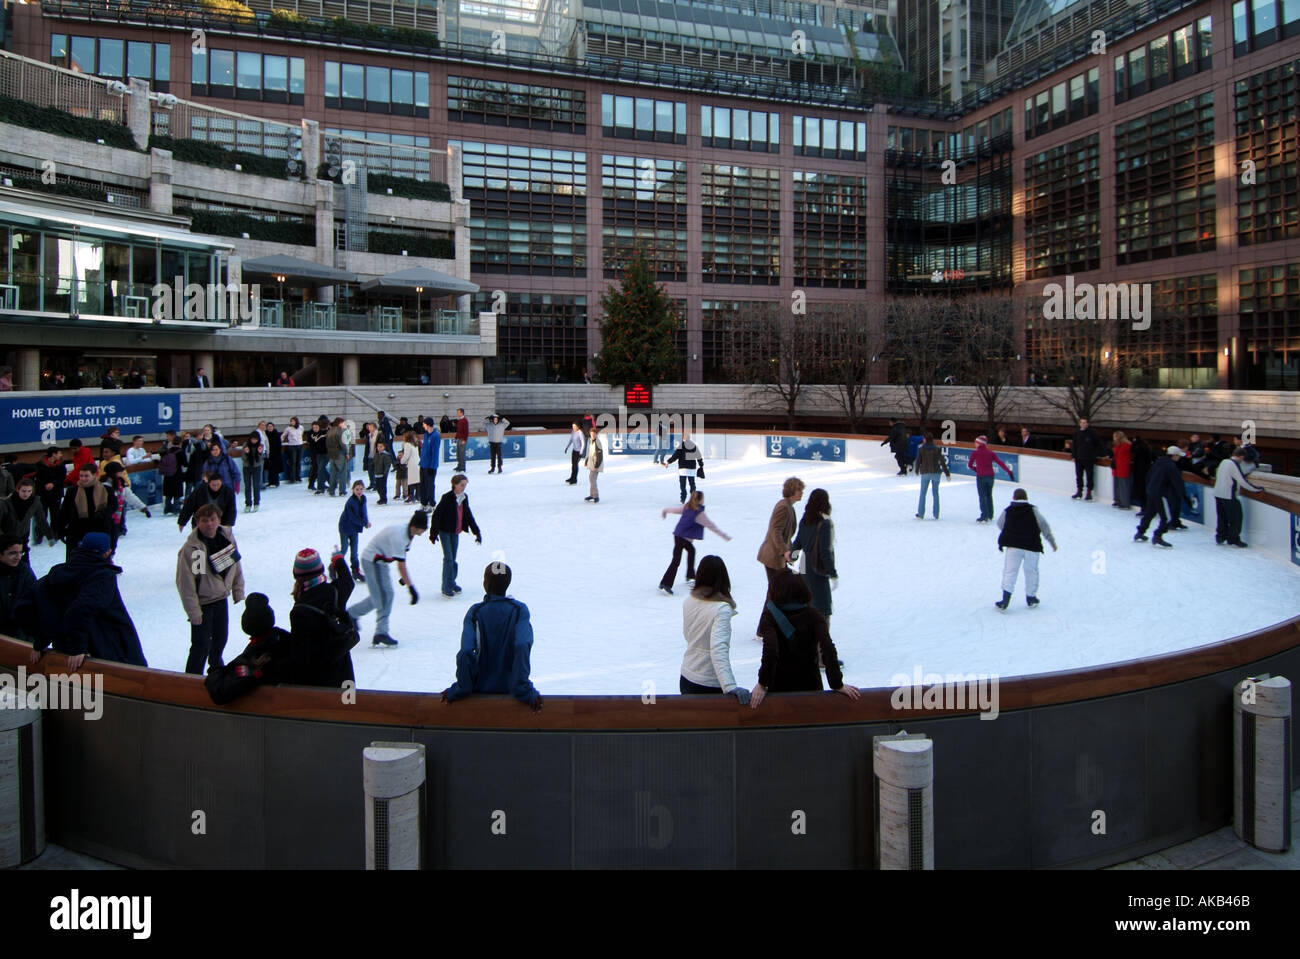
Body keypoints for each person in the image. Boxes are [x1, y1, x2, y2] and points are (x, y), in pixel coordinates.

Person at [29, 531, 147, 669]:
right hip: (104, 646)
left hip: (66, 646)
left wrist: (40, 642)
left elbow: (49, 608)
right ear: (107, 552)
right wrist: (77, 647)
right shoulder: (102, 576)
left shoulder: (60, 571)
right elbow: (81, 608)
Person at [440, 563, 542, 711]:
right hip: (510, 691)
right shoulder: (519, 610)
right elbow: (521, 645)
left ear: (485, 583)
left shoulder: (475, 612)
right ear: (508, 584)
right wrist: (522, 688)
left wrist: (462, 688)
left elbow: (467, 651)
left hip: (479, 693)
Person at [749, 570, 858, 708]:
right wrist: (837, 683)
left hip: (780, 689)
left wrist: (763, 683)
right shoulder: (813, 615)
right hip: (811, 686)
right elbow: (827, 647)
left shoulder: (770, 617)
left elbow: (771, 650)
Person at [176, 504, 246, 675]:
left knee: (220, 640)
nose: (209, 524)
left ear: (219, 520)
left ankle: (216, 670)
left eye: (213, 519)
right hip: (204, 604)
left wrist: (238, 590)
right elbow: (186, 583)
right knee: (201, 646)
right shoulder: (192, 550)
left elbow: (235, 565)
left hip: (221, 598)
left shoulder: (226, 538)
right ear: (197, 523)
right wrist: (194, 612)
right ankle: (192, 678)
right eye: (204, 521)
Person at [346, 510, 427, 647]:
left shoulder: (409, 535)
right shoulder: (400, 536)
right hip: (370, 560)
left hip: (381, 562)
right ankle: (351, 615)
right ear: (415, 526)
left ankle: (381, 632)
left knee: (388, 594)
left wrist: (404, 579)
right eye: (423, 528)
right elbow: (401, 566)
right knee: (378, 598)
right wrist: (411, 587)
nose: (424, 531)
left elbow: (402, 557)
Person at [678, 555, 748, 702]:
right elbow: (718, 649)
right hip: (707, 683)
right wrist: (730, 686)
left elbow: (688, 634)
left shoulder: (689, 600)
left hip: (686, 675)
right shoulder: (721, 609)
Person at [289, 547, 356, 687]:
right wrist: (338, 560)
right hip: (344, 674)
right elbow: (347, 581)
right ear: (321, 570)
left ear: (296, 576)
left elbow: (301, 653)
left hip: (319, 681)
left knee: (326, 708)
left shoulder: (299, 611)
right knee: (347, 706)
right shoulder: (334, 592)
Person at [994, 488, 1058, 610]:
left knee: (1010, 572)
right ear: (1026, 498)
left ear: (1014, 498)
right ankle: (1031, 598)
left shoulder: (1008, 510)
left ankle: (1005, 600)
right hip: (1031, 546)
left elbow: (1000, 524)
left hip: (1013, 547)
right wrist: (1051, 542)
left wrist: (1011, 531)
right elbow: (1044, 525)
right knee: (1031, 572)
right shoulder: (1033, 510)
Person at [659, 491, 731, 595]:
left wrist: (665, 510)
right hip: (682, 538)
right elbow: (712, 526)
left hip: (678, 535)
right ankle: (666, 583)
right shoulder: (699, 514)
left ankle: (690, 575)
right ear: (700, 500)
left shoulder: (687, 507)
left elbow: (673, 510)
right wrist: (724, 535)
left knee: (691, 551)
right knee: (676, 561)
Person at [792, 488, 838, 623]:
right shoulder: (824, 523)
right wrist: (832, 573)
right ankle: (820, 640)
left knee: (807, 602)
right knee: (822, 607)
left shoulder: (805, 519)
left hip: (804, 564)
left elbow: (798, 542)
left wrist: (792, 557)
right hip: (817, 566)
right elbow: (825, 551)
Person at [431, 474, 482, 597]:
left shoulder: (464, 498)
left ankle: (451, 582)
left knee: (453, 559)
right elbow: (436, 515)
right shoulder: (447, 498)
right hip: (445, 532)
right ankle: (446, 587)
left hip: (456, 532)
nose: (463, 487)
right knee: (448, 559)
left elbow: (468, 515)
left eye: (465, 485)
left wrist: (477, 532)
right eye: (461, 485)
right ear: (454, 484)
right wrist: (433, 532)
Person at [55, 463, 114, 560]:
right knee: (75, 560)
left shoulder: (106, 490)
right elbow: (64, 511)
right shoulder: (72, 491)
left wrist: (103, 513)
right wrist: (60, 529)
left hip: (99, 529)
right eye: (81, 476)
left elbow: (113, 505)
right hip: (77, 531)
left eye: (86, 476)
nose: (83, 478)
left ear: (95, 475)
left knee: (98, 560)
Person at [1135, 446, 1185, 549]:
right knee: (1166, 517)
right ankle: (1158, 535)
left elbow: (1148, 475)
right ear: (1174, 455)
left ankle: (1140, 532)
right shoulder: (1171, 466)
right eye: (1179, 456)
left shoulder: (1158, 462)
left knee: (1150, 512)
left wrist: (1149, 487)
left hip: (1151, 490)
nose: (1179, 458)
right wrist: (1182, 494)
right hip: (1161, 493)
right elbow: (1177, 482)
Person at [1213, 448, 1263, 548]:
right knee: (1236, 518)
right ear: (1242, 457)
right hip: (1228, 495)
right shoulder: (1233, 464)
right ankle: (1233, 538)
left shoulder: (1224, 461)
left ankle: (1221, 536)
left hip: (1218, 493)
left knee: (1222, 517)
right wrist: (1256, 489)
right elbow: (1242, 480)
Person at [0, 478, 53, 561]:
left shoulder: (35, 502)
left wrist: (49, 536)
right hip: (6, 540)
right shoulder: (6, 503)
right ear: (18, 490)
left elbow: (41, 519)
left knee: (24, 565)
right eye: (24, 491)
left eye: (29, 491)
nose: (26, 494)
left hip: (22, 539)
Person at [969, 435, 1014, 523]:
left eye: (975, 442)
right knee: (989, 495)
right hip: (990, 477)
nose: (974, 444)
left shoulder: (975, 453)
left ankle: (984, 515)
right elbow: (1000, 463)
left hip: (981, 477)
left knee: (982, 496)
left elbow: (970, 465)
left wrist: (977, 469)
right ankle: (990, 514)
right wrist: (1009, 472)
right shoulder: (991, 453)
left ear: (979, 443)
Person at [0, 534, 35, 641]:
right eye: (13, 553)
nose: (19, 557)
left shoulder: (24, 571)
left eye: (21, 552)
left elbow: (35, 599)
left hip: (22, 633)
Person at [913, 432, 952, 520]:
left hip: (925, 472)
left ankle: (921, 513)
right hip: (936, 472)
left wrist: (916, 470)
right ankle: (936, 514)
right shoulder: (937, 449)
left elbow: (918, 461)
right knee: (935, 494)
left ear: (925, 439)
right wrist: (947, 474)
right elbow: (942, 461)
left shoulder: (921, 449)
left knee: (923, 493)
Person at [338, 480, 371, 580]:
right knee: (344, 549)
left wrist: (366, 521)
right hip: (345, 527)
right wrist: (364, 523)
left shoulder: (363, 499)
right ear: (353, 490)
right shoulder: (351, 502)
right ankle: (334, 566)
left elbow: (364, 512)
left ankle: (355, 570)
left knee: (354, 551)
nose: (359, 491)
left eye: (361, 489)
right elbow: (353, 517)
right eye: (357, 489)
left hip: (354, 529)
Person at [662, 432, 705, 504]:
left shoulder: (681, 446)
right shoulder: (693, 445)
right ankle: (693, 498)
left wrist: (668, 462)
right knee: (692, 484)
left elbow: (675, 456)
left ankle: (683, 498)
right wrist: (701, 464)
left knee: (683, 484)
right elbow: (699, 456)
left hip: (683, 469)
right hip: (691, 468)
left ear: (683, 438)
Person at [1070, 417, 1104, 501]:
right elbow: (1074, 445)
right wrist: (1073, 456)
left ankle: (1089, 492)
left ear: (1088, 424)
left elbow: (1098, 444)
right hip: (1079, 458)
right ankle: (1079, 491)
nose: (1083, 424)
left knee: (1089, 475)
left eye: (1085, 422)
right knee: (1079, 475)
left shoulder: (1092, 433)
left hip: (1089, 458)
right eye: (1082, 422)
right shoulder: (1077, 433)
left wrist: (1097, 454)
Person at [238, 433, 265, 513]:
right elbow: (243, 458)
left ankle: (256, 503)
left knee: (256, 485)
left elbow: (260, 459)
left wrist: (260, 453)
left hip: (256, 467)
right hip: (247, 467)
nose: (254, 441)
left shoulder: (260, 445)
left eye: (256, 439)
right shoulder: (245, 445)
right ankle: (248, 504)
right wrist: (246, 453)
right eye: (253, 439)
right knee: (247, 486)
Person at [419, 416, 441, 509]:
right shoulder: (426, 435)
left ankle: (431, 503)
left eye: (424, 424)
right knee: (422, 485)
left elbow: (435, 453)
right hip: (423, 464)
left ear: (428, 425)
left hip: (430, 466)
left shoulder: (435, 436)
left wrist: (432, 466)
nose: (423, 425)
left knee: (429, 485)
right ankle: (423, 502)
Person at [326, 418, 348, 496]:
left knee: (333, 474)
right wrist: (347, 453)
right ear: (339, 423)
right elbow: (343, 444)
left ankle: (331, 490)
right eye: (343, 423)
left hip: (331, 455)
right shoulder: (340, 432)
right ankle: (342, 490)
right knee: (342, 473)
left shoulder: (329, 431)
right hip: (340, 454)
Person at [1110, 431, 1133, 509]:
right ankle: (1118, 500)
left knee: (1123, 486)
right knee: (1117, 485)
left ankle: (1125, 502)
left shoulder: (1126, 446)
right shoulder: (1117, 445)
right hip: (1117, 467)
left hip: (1123, 467)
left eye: (1115, 437)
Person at [583, 423, 604, 503]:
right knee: (591, 479)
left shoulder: (597, 442)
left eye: (594, 434)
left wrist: (596, 465)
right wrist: (586, 461)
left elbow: (599, 455)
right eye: (591, 434)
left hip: (596, 465)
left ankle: (595, 496)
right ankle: (592, 494)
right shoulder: (591, 441)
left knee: (593, 480)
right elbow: (591, 453)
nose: (593, 435)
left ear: (596, 434)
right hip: (592, 463)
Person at [308, 419, 329, 493]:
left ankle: (320, 488)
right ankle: (331, 482)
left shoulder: (324, 434)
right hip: (317, 455)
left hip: (325, 454)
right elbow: (311, 445)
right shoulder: (312, 435)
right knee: (321, 469)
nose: (315, 429)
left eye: (316, 427)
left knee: (320, 469)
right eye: (313, 428)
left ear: (319, 427)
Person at [281, 417, 304, 485]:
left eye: (293, 421)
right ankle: (292, 478)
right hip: (292, 446)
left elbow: (301, 434)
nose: (292, 423)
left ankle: (298, 477)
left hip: (300, 445)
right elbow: (283, 436)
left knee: (298, 462)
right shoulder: (288, 429)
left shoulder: (301, 427)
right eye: (291, 421)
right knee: (293, 462)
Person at [396, 430, 416, 504]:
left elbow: (406, 456)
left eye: (404, 437)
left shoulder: (408, 445)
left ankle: (410, 496)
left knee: (410, 482)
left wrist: (402, 461)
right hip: (412, 465)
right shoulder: (412, 444)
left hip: (410, 465)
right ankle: (412, 495)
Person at [372, 440, 393, 506]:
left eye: (381, 446)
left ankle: (384, 499)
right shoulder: (376, 454)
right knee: (378, 487)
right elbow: (374, 463)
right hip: (377, 473)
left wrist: (385, 473)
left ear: (384, 447)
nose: (379, 448)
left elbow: (387, 465)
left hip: (382, 474)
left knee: (382, 487)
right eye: (378, 446)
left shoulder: (386, 455)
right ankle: (381, 498)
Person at [265, 421, 283, 488]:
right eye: (268, 427)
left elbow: (279, 445)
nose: (269, 428)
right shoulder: (265, 434)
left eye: (271, 427)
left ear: (273, 427)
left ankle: (276, 482)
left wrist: (277, 454)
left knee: (275, 469)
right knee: (270, 469)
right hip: (269, 454)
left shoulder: (277, 434)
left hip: (276, 455)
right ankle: (270, 482)